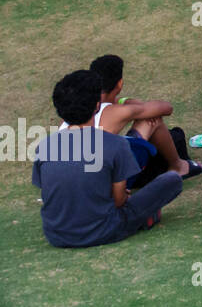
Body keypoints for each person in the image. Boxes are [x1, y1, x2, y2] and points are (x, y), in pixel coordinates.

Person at [33, 70, 183, 248]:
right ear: (97, 106)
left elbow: (48, 190)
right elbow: (119, 201)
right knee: (172, 180)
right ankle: (144, 218)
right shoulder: (115, 144)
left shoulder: (45, 146)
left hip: (56, 235)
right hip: (105, 230)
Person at [75, 54, 202, 182]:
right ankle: (178, 167)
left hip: (72, 180)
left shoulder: (72, 107)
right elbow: (166, 108)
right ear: (120, 84)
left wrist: (124, 102)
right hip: (102, 183)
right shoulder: (116, 112)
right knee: (152, 119)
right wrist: (135, 107)